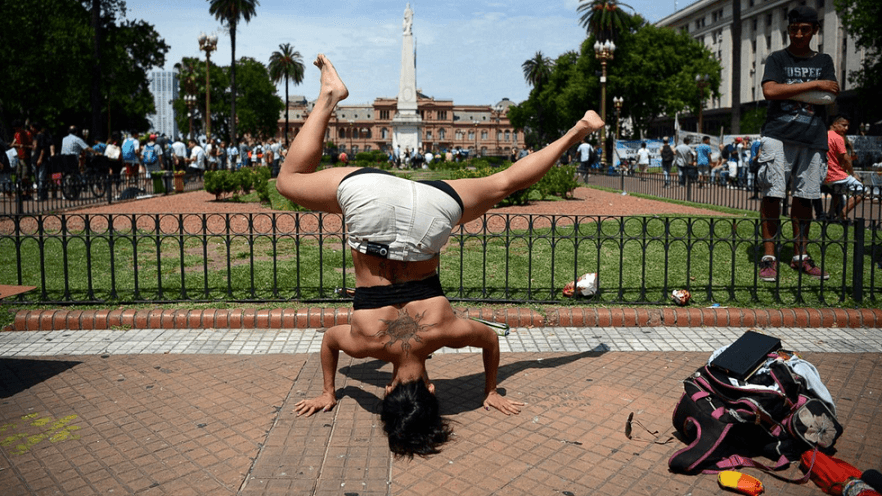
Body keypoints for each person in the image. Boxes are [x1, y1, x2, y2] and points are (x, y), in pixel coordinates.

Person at [277, 54, 604, 458]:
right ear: (389, 388)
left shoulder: (446, 331)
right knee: (289, 182)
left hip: (430, 214)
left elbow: (489, 340)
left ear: (431, 388)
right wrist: (329, 390)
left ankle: (579, 129)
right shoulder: (364, 343)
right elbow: (329, 342)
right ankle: (329, 97)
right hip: (371, 204)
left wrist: (490, 390)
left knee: (504, 182)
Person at [756, 5, 838, 282]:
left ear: (815, 30)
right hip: (777, 134)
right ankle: (769, 257)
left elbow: (831, 96)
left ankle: (800, 256)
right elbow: (770, 90)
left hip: (813, 137)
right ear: (788, 30)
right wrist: (813, 86)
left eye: (805, 29)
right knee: (772, 195)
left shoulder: (824, 59)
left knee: (805, 198)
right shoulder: (777, 58)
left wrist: (789, 91)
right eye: (793, 29)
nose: (799, 34)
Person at [824, 114, 863, 220]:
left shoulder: (825, 135)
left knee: (838, 192)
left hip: (825, 174)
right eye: (844, 125)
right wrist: (853, 174)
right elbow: (846, 159)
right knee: (861, 190)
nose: (846, 128)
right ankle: (842, 215)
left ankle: (830, 215)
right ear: (835, 124)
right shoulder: (838, 138)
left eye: (847, 126)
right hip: (836, 174)